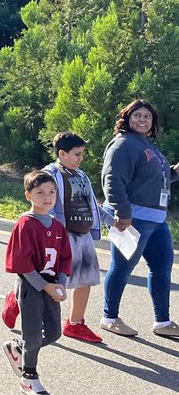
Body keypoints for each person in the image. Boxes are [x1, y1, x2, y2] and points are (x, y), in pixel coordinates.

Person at [100, 99, 179, 339]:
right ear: (127, 118)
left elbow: (155, 180)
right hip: (133, 219)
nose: (143, 119)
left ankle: (162, 322)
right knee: (123, 267)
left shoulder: (147, 145)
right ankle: (109, 318)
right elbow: (112, 180)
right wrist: (122, 213)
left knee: (162, 268)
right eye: (137, 115)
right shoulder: (123, 144)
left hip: (156, 220)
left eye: (147, 116)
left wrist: (174, 173)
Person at [3, 170, 72, 395]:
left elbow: (64, 258)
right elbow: (22, 264)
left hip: (51, 284)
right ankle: (28, 376)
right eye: (40, 192)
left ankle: (21, 350)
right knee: (32, 334)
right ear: (28, 195)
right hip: (32, 285)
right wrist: (45, 286)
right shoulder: (26, 224)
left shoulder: (57, 226)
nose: (47, 197)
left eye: (52, 192)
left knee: (53, 333)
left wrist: (60, 284)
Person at [43, 131, 105, 345]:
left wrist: (111, 220)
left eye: (82, 154)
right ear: (62, 153)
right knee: (50, 279)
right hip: (61, 236)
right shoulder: (50, 174)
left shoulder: (81, 176)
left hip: (83, 233)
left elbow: (92, 203)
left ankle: (75, 323)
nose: (81, 158)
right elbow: (42, 201)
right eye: (77, 154)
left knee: (85, 278)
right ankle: (16, 300)